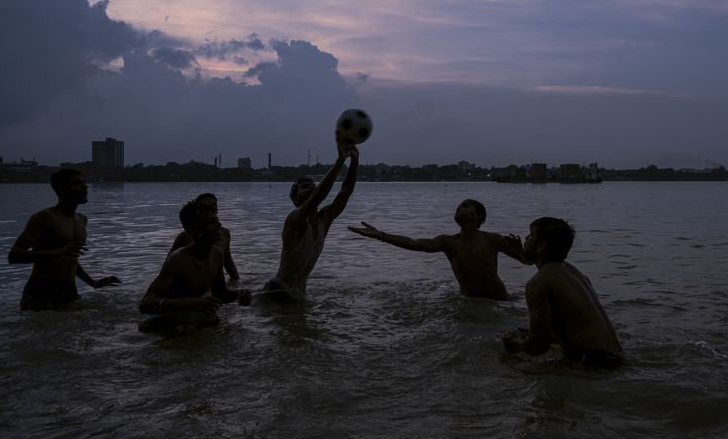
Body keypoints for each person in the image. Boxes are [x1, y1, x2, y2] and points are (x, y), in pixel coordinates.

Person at [502, 217, 623, 368]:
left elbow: (537, 347)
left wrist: (516, 344)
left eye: (530, 235)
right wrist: (532, 333)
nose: (525, 239)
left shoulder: (538, 283)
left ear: (541, 246)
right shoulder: (574, 273)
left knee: (510, 368)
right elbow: (573, 327)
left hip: (591, 365)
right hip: (615, 357)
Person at [349, 199, 528, 300]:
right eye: (458, 207)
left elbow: (527, 261)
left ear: (478, 215)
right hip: (469, 302)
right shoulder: (448, 242)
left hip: (499, 301)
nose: (459, 208)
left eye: (465, 206)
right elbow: (414, 243)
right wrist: (381, 235)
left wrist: (521, 252)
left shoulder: (493, 240)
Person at [8, 168, 120, 310]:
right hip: (41, 291)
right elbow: (14, 256)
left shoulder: (82, 220)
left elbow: (70, 258)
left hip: (69, 291)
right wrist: (57, 252)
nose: (85, 187)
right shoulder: (44, 217)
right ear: (61, 188)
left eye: (84, 183)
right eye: (78, 183)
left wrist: (92, 282)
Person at [261, 138, 359, 300]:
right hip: (277, 292)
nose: (311, 186)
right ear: (295, 200)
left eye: (313, 184)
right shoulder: (294, 220)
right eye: (305, 186)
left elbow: (346, 190)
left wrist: (355, 159)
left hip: (298, 293)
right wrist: (341, 160)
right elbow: (318, 196)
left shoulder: (324, 220)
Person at [139, 198, 252, 334]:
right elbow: (145, 304)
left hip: (190, 315)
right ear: (193, 230)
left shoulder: (217, 254)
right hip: (161, 319)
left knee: (214, 321)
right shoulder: (178, 259)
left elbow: (220, 294)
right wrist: (191, 302)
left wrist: (239, 294)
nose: (219, 225)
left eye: (216, 220)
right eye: (210, 222)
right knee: (195, 319)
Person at [169, 192, 239, 281]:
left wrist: (237, 281)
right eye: (206, 204)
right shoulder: (185, 236)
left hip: (213, 282)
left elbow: (228, 262)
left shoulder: (223, 235)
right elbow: (168, 265)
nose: (211, 205)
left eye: (214, 203)